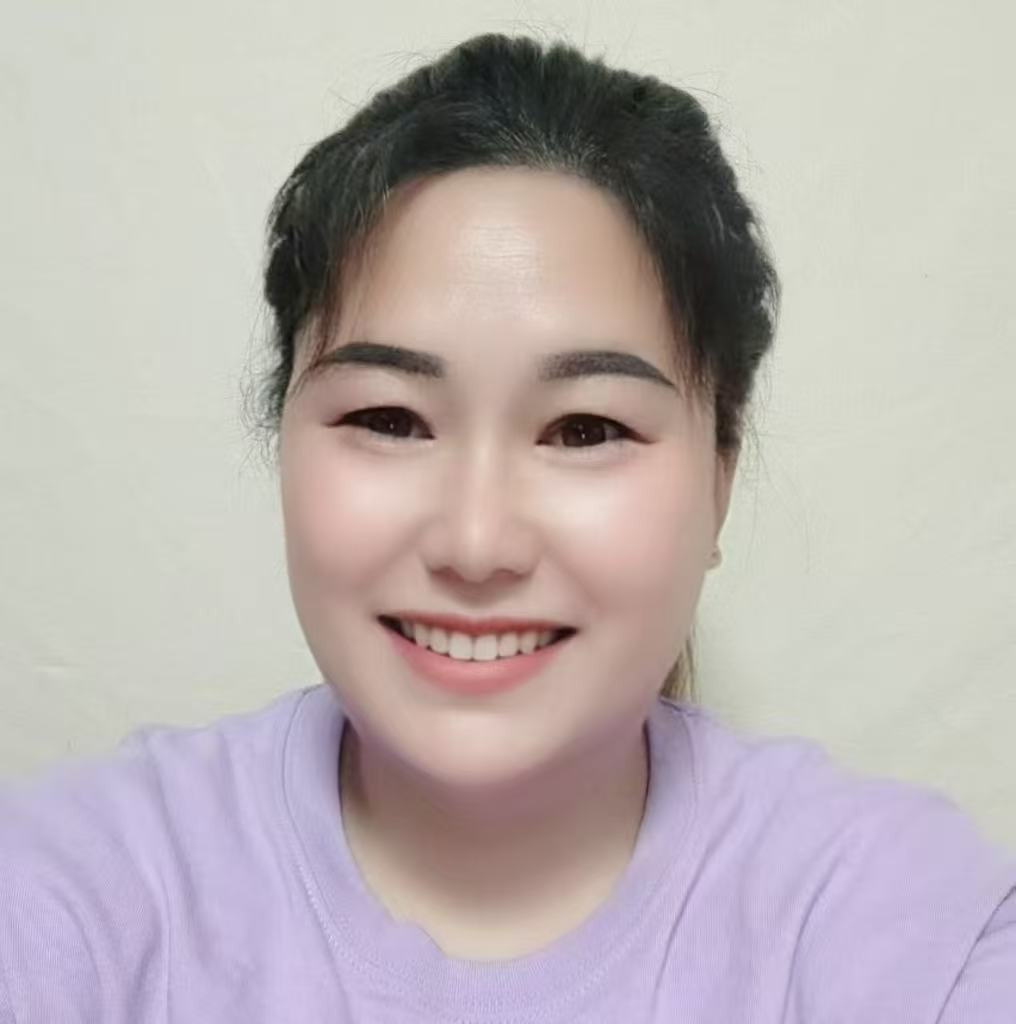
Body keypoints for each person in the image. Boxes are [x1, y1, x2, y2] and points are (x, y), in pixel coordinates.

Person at [1, 32, 1013, 1023]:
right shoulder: (77, 896)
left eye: (584, 429)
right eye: (388, 418)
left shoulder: (918, 936)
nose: (476, 543)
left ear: (720, 476)